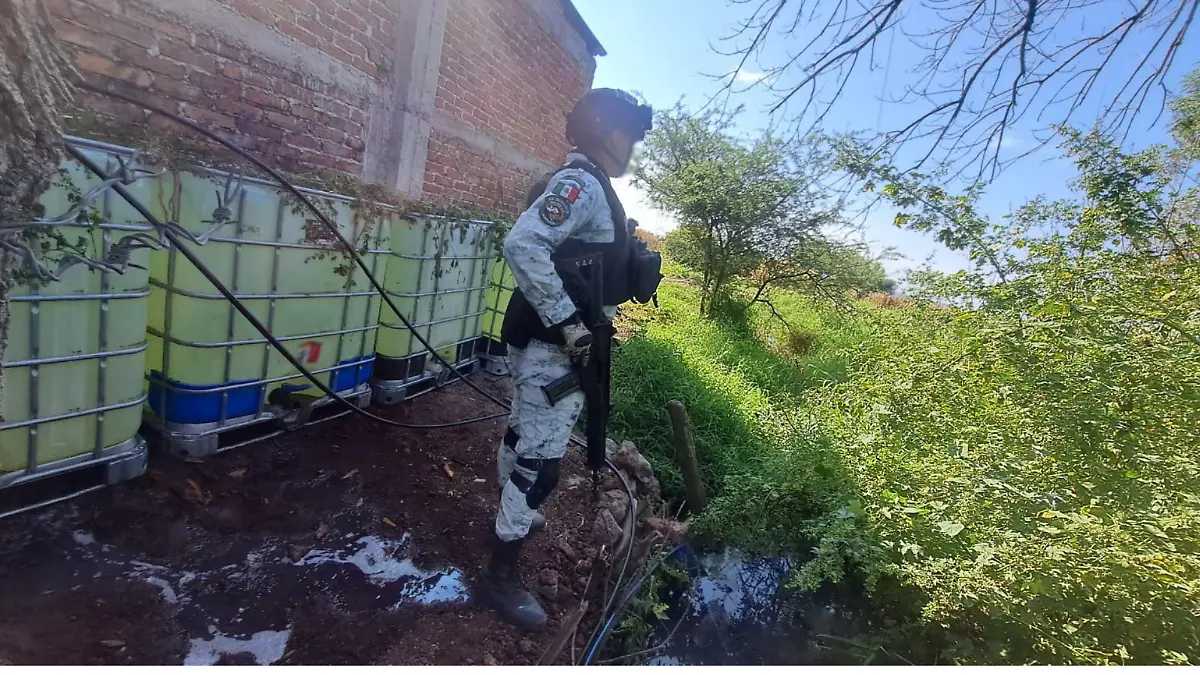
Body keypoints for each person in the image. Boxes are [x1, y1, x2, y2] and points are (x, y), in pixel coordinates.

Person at [481, 88, 655, 630]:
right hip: (555, 349)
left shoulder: (589, 185)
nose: (632, 146)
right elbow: (523, 245)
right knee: (541, 469)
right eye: (628, 133)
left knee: (522, 437)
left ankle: (511, 512)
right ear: (606, 131)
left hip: (545, 342)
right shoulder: (582, 184)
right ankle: (499, 576)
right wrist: (572, 327)